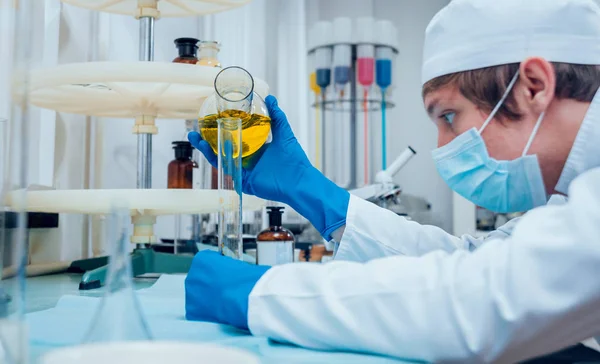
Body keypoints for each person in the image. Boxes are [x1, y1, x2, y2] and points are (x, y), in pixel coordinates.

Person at [185, 0, 600, 362]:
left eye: (448, 116)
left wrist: (261, 293)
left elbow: (480, 302)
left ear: (534, 86)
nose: (440, 145)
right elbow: (475, 263)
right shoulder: (573, 198)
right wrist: (309, 189)